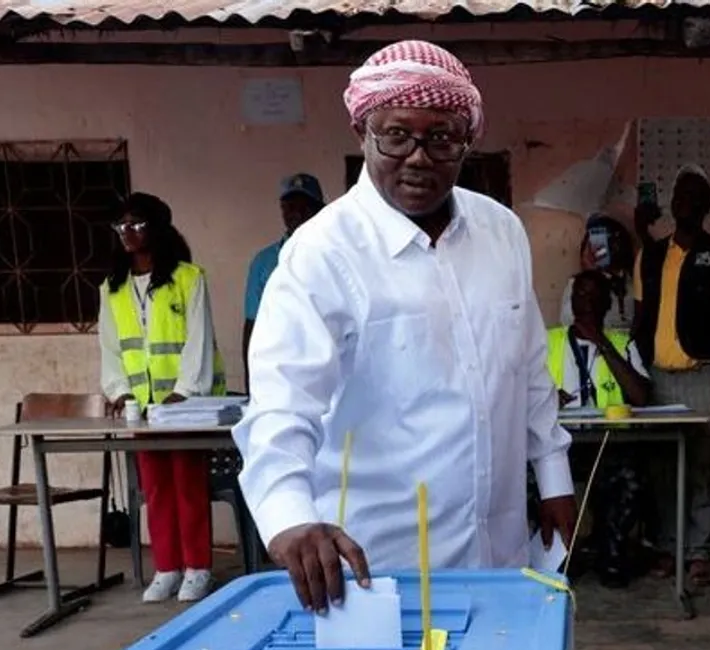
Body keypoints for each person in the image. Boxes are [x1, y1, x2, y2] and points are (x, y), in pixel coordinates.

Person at [236, 41, 576, 612]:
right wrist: (290, 518)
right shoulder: (322, 252)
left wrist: (555, 477)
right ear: (363, 134)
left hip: (500, 549)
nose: (418, 157)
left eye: (441, 137)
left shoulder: (502, 232)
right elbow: (281, 405)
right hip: (377, 564)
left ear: (467, 142)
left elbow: (529, 368)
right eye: (396, 135)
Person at [99, 193, 224, 603]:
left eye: (136, 224)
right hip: (142, 408)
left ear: (156, 228)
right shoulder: (112, 288)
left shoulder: (188, 277)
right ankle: (167, 567)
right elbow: (110, 347)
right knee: (155, 491)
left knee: (188, 487)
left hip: (184, 407)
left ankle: (198, 568)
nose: (127, 234)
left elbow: (199, 340)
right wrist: (118, 391)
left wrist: (184, 392)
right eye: (120, 227)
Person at [632, 165, 710, 588]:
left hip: (704, 376)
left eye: (696, 196)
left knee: (705, 465)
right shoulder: (652, 254)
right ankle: (667, 545)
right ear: (672, 202)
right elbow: (641, 320)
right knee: (662, 466)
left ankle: (703, 551)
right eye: (681, 194)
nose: (687, 203)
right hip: (658, 378)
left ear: (706, 206)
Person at [548, 270, 651, 586]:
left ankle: (611, 553)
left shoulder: (622, 342)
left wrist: (602, 343)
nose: (587, 303)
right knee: (528, 478)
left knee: (630, 476)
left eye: (595, 297)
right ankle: (559, 555)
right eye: (580, 295)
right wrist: (548, 397)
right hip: (561, 446)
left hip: (608, 444)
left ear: (607, 304)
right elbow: (521, 393)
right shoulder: (548, 341)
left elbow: (641, 397)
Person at [243, 174, 324, 389]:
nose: (296, 214)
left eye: (304, 207)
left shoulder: (336, 256)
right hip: (279, 371)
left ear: (320, 210)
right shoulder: (264, 262)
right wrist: (251, 384)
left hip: (325, 367)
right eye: (289, 207)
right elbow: (252, 325)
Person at [558, 214, 637, 330]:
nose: (594, 251)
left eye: (601, 243)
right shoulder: (578, 286)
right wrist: (591, 279)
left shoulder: (632, 285)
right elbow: (569, 320)